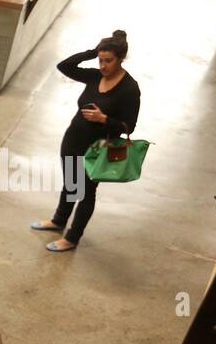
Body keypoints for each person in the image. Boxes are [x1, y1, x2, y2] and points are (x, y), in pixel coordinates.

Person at [31, 30, 141, 252]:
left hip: (97, 148)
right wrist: (92, 52)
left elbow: (129, 126)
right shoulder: (94, 76)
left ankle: (72, 237)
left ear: (121, 59)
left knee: (86, 192)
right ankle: (59, 220)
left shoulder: (130, 88)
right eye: (100, 59)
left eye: (108, 61)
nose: (103, 65)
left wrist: (105, 119)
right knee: (71, 182)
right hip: (73, 138)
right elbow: (64, 66)